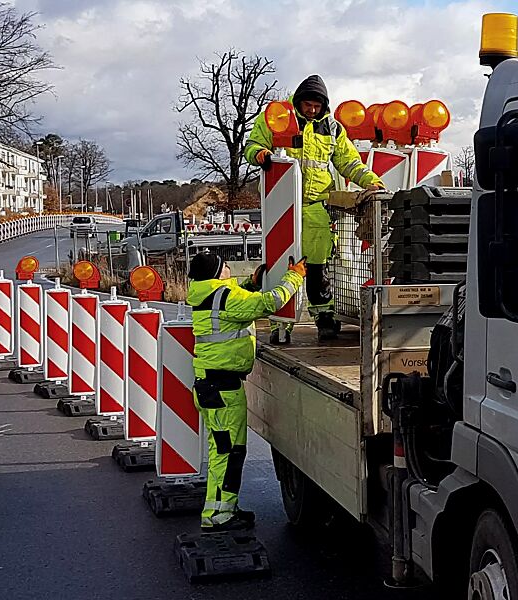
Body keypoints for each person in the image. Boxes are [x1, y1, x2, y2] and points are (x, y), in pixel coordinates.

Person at [244, 74, 385, 343]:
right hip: (280, 202)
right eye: (307, 105)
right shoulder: (278, 117)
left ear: (324, 106)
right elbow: (252, 145)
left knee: (317, 265)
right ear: (298, 102)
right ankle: (279, 322)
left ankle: (323, 316)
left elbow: (349, 162)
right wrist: (259, 155)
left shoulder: (332, 128)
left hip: (315, 204)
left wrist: (370, 181)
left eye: (316, 106)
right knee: (280, 264)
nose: (311, 110)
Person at [186, 252, 306, 531]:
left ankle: (221, 509)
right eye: (225, 266)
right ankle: (219, 515)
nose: (229, 269)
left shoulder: (208, 294)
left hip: (211, 385)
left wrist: (251, 284)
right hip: (222, 388)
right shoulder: (225, 297)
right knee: (229, 452)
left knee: (222, 451)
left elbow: (236, 302)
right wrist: (295, 276)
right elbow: (270, 302)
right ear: (217, 272)